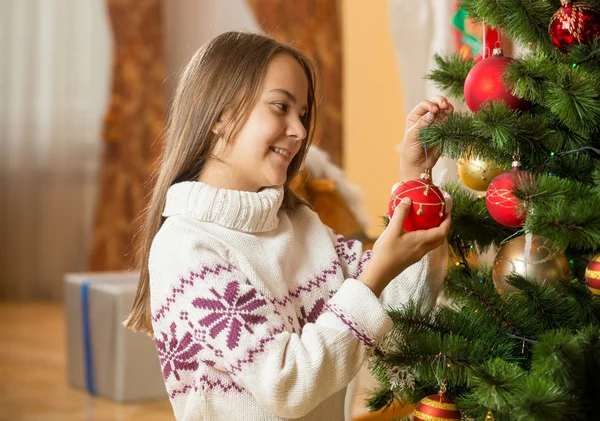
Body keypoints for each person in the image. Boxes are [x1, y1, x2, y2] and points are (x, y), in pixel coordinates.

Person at [124, 31, 453, 421]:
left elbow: (399, 316)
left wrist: (415, 179)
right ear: (218, 114)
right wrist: (374, 275)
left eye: (303, 114)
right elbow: (287, 384)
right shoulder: (187, 248)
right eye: (280, 106)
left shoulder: (301, 224)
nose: (299, 131)